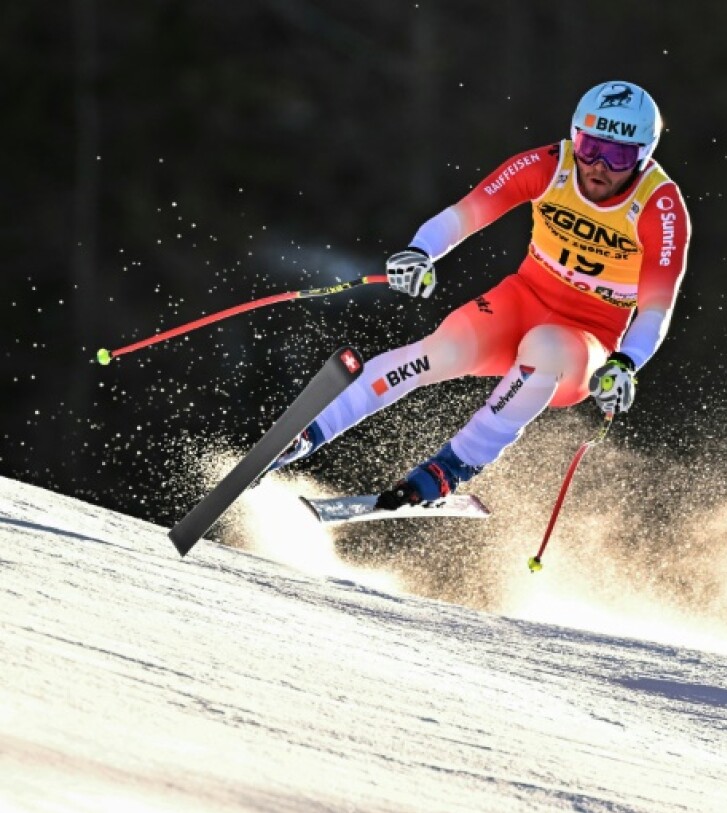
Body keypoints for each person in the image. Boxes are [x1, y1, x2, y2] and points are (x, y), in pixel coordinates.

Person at [271, 80, 692, 509]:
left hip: (587, 339)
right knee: (439, 351)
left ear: (644, 156)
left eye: (618, 156)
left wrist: (625, 363)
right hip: (522, 300)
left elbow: (656, 307)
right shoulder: (550, 166)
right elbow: (466, 213)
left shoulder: (660, 206)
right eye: (589, 147)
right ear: (574, 136)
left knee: (546, 347)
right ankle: (307, 433)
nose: (598, 166)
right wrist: (420, 252)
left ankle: (452, 466)